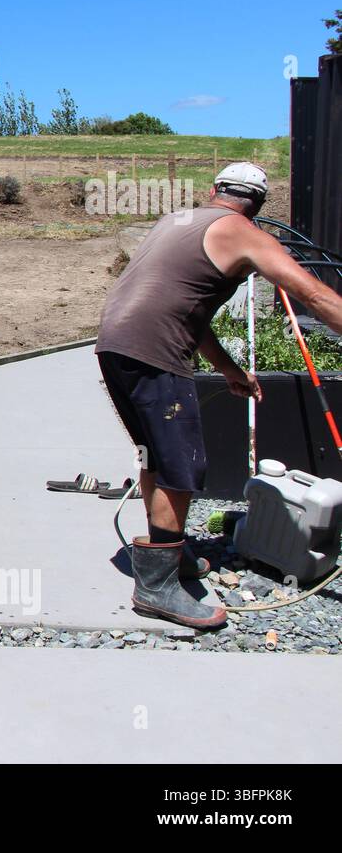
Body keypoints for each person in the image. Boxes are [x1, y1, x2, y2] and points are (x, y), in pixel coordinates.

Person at [95, 162, 342, 628]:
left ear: (214, 191)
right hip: (154, 351)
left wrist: (228, 369)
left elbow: (189, 309)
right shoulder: (244, 233)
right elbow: (311, 294)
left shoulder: (177, 221)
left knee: (156, 457)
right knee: (182, 465)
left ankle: (167, 554)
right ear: (258, 206)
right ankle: (157, 587)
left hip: (114, 344)